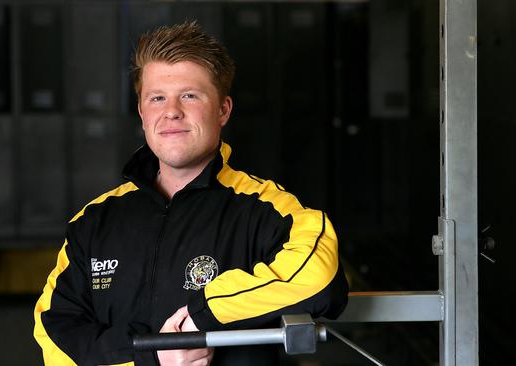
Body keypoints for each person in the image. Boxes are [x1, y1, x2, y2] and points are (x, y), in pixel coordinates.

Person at [33, 21, 348, 366]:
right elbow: (55, 334)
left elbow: (320, 277)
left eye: (189, 95)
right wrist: (153, 359)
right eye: (157, 98)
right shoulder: (94, 220)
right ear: (142, 112)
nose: (171, 111)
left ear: (223, 110)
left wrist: (203, 315)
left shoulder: (266, 210)